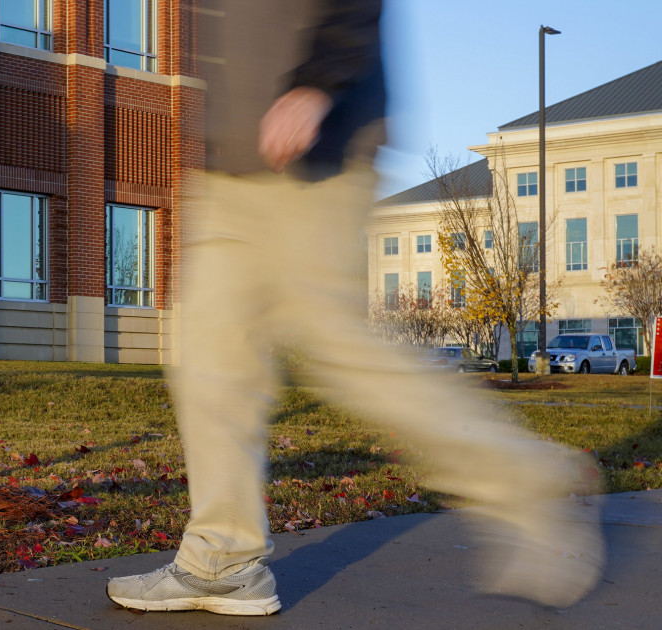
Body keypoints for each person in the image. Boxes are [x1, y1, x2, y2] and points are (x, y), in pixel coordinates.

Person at [106, 0, 604, 616]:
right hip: (233, 166)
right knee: (210, 357)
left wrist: (318, 83)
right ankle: (221, 559)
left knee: (339, 350)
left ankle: (529, 481)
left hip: (312, 153)